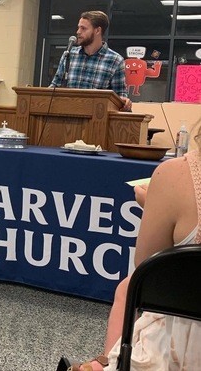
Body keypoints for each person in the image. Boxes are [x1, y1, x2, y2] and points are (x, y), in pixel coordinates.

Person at [58, 122, 201, 370]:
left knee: (131, 286)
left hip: (184, 347)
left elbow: (147, 269)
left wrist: (153, 204)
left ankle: (108, 363)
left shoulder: (175, 175)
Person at [50, 10, 132, 112]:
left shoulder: (115, 60)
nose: (78, 32)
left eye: (83, 28)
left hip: (97, 118)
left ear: (97, 31)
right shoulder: (69, 55)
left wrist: (125, 103)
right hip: (66, 115)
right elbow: (54, 86)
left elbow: (120, 98)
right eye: (78, 27)